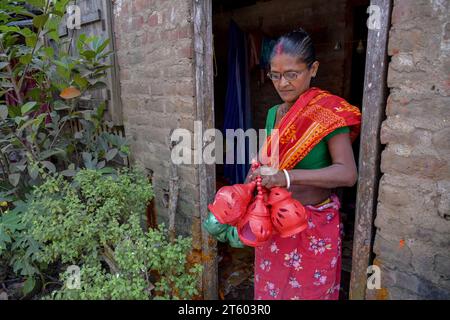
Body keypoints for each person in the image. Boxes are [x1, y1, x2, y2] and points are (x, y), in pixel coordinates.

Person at [246, 28, 361, 300]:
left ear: (313, 69)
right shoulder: (274, 113)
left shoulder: (330, 113)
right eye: (275, 75)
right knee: (272, 290)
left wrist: (286, 177)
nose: (282, 83)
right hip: (275, 221)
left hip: (313, 223)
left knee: (311, 292)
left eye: (292, 74)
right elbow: (274, 160)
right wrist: (259, 171)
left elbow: (347, 174)